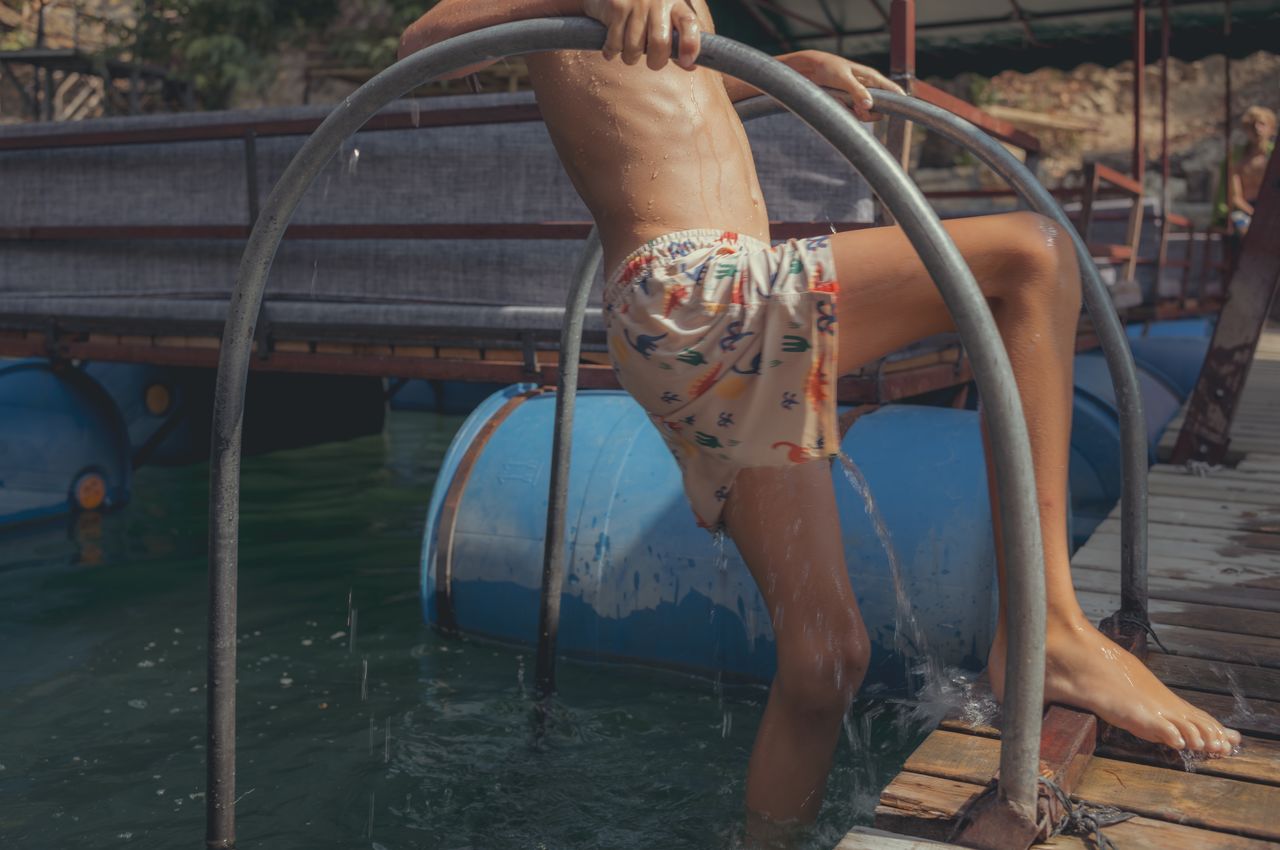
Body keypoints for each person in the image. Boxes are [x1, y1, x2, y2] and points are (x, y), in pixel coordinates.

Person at [399, 0, 1241, 835]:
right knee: (1032, 255)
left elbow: (660, 102)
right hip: (691, 291)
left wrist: (785, 74)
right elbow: (421, 42)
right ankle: (1045, 630)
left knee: (826, 655)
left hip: (705, 316)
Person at [1225, 104, 1276, 236]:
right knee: (1246, 229)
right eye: (1252, 125)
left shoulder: (1275, 158)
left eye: (1262, 124)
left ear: (1271, 128)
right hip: (1245, 210)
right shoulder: (1238, 159)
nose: (1257, 129)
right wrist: (1254, 213)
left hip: (1271, 210)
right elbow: (1236, 197)